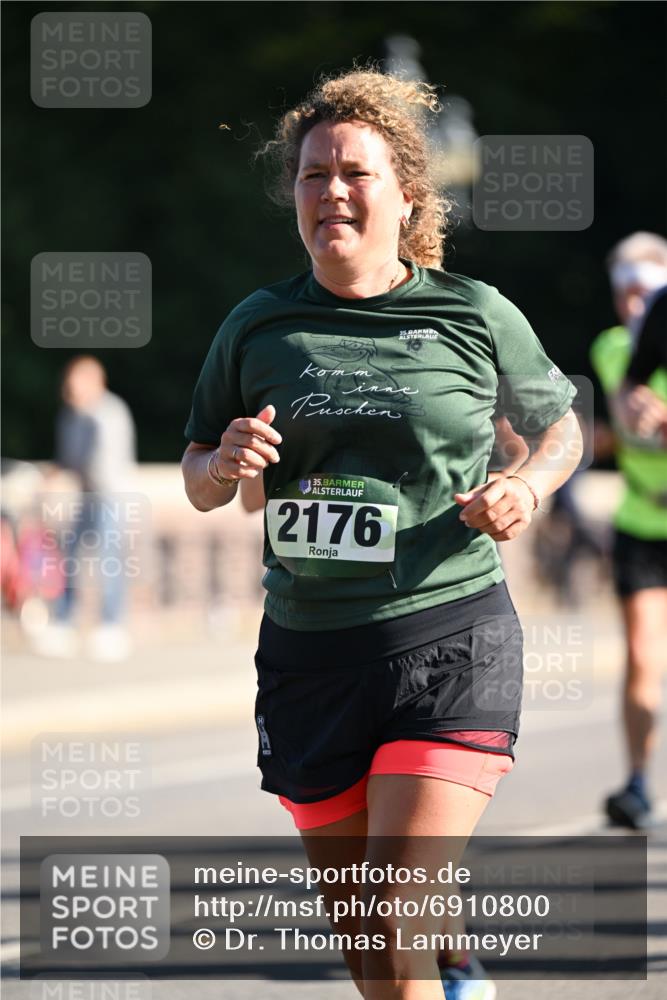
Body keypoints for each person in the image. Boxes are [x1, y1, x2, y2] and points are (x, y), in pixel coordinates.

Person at [182, 69, 582, 1000]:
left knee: (396, 907)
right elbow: (198, 475)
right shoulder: (257, 325)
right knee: (374, 955)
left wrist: (524, 484)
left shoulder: (472, 313)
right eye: (313, 175)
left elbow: (561, 425)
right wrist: (226, 460)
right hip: (309, 659)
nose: (331, 192)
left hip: (448, 636)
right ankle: (454, 969)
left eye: (354, 173)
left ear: (406, 196)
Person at [590, 232, 667, 830]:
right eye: (625, 294)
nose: (636, 307)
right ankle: (638, 783)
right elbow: (619, 426)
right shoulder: (611, 349)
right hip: (643, 517)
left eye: (648, 292)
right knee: (642, 654)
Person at [33, 355, 137, 662]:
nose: (70, 388)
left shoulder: (109, 413)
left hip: (110, 498)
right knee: (68, 558)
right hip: (86, 496)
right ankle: (64, 622)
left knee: (110, 562)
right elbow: (68, 459)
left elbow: (101, 462)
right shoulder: (70, 416)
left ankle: (112, 626)